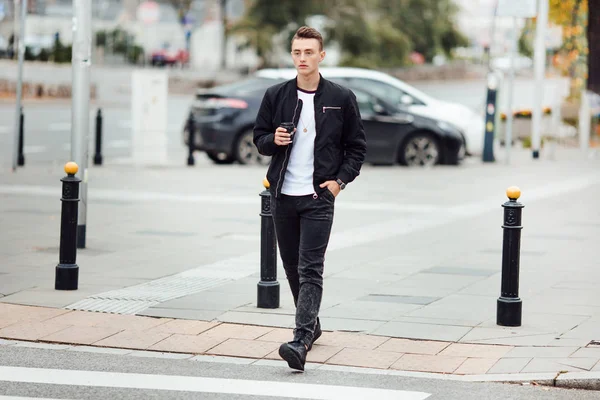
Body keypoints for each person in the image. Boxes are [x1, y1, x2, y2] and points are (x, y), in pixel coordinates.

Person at [253, 26, 367, 371]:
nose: (302, 58)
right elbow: (259, 140)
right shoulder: (277, 95)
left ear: (321, 56)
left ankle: (301, 339)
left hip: (318, 196)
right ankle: (312, 323)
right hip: (283, 195)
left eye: (308, 52)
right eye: (296, 52)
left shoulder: (341, 98)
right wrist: (274, 139)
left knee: (310, 268)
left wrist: (338, 184)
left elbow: (357, 148)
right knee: (291, 267)